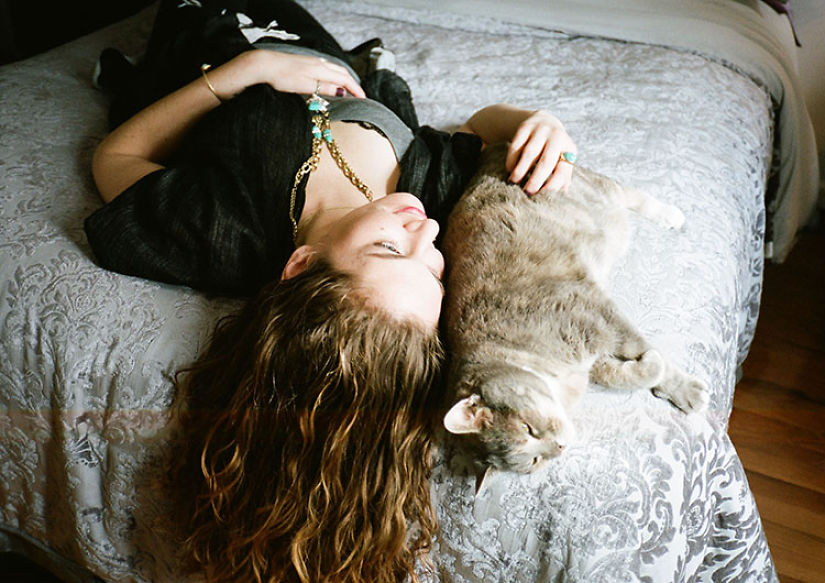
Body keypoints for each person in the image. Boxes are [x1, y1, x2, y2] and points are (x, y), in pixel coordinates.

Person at [84, 0, 577, 581]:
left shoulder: (222, 227)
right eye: (434, 270)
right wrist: (536, 123)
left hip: (213, 31)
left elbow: (116, 157)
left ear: (301, 264)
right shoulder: (433, 192)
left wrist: (243, 73)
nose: (427, 232)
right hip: (316, 42)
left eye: (389, 249)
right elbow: (478, 127)